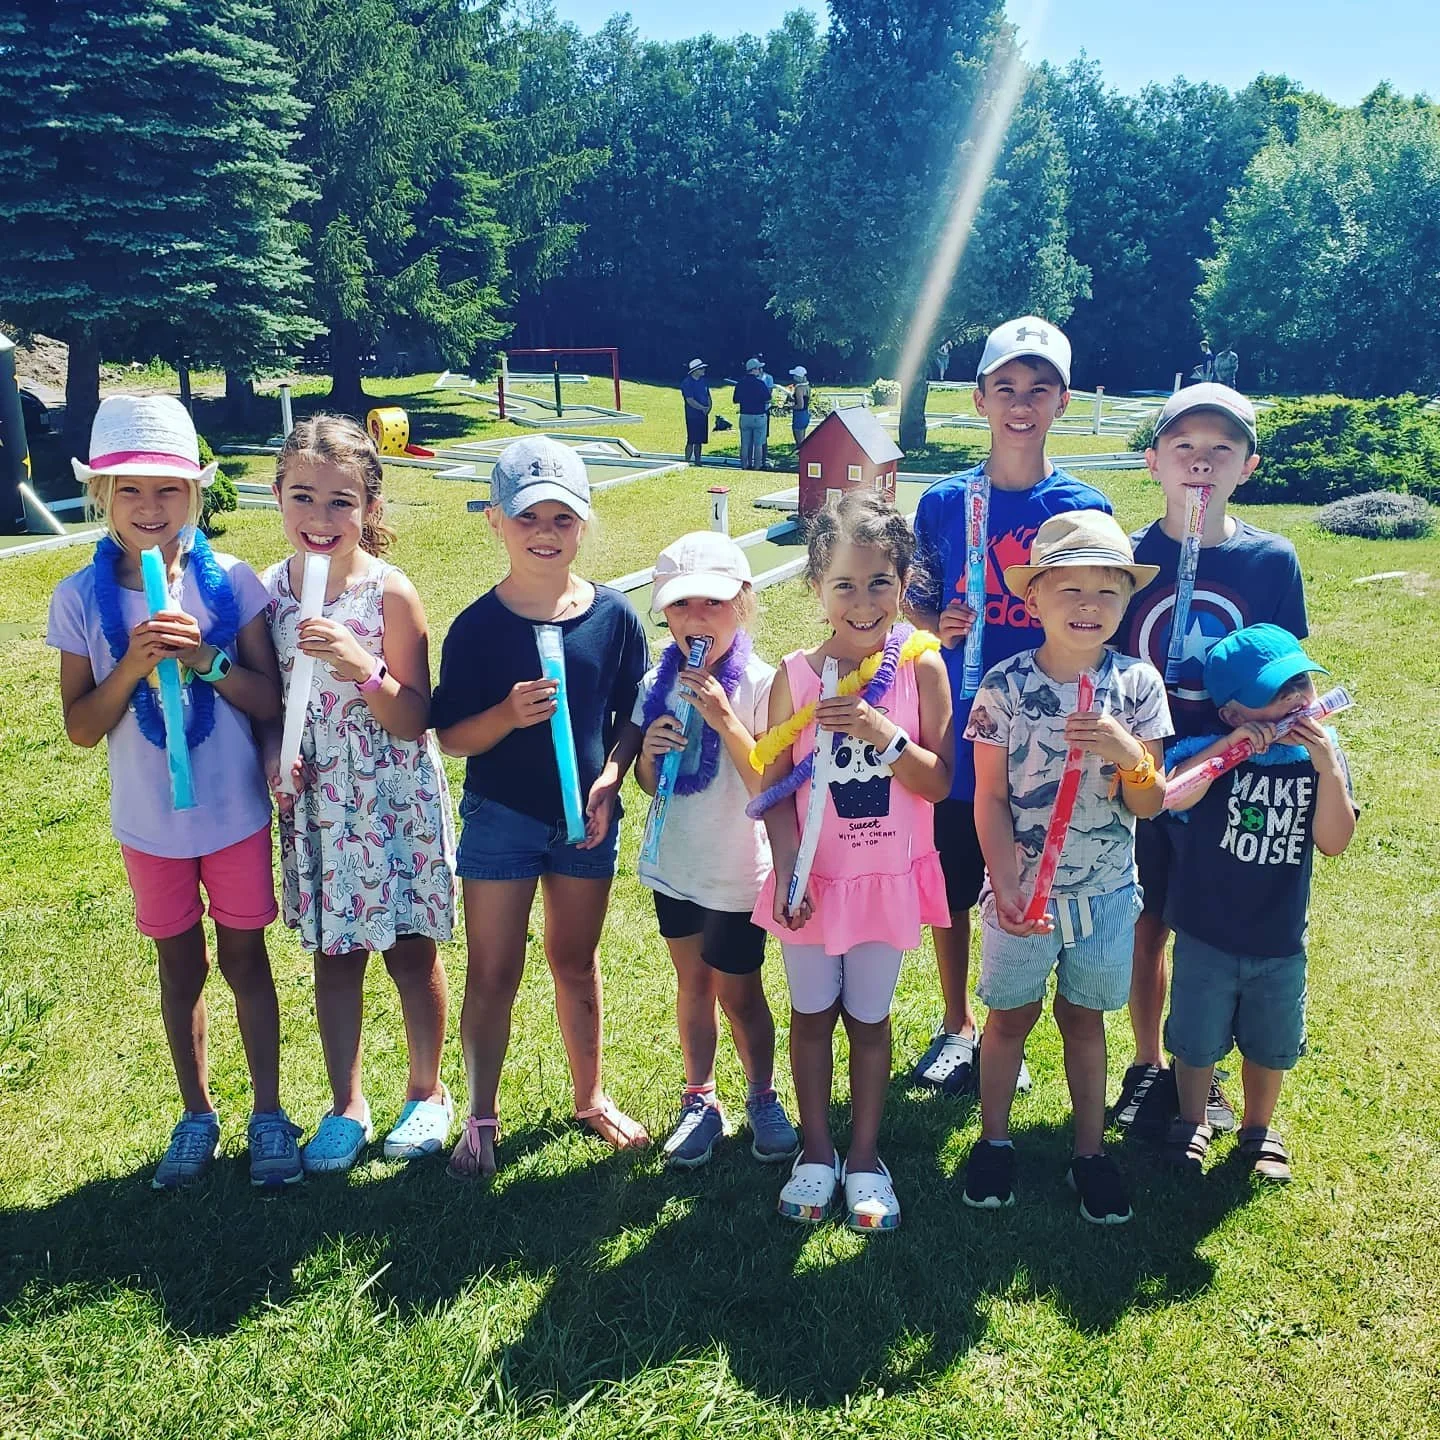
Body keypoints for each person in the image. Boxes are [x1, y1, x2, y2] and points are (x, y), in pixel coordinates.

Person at [46, 395, 301, 1190]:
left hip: (232, 815)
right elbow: (82, 728)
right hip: (149, 823)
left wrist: (206, 662)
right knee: (179, 966)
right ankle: (196, 1113)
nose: (149, 508)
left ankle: (268, 1113)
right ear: (101, 498)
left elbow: (269, 698)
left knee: (246, 960)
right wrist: (131, 663)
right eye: (129, 491)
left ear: (196, 494)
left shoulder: (230, 582)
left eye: (168, 490)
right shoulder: (80, 598)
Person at [432, 437, 650, 1178]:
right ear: (496, 521)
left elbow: (631, 717)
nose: (546, 532)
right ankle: (480, 1116)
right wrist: (505, 716)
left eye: (563, 517)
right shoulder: (477, 627)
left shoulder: (615, 618)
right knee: (493, 971)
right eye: (529, 518)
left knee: (575, 960)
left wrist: (612, 779)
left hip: (585, 820)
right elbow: (453, 735)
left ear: (584, 524)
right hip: (502, 817)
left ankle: (589, 1096)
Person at [906, 316, 1112, 1098]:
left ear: (1062, 401)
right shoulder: (944, 502)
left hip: (1047, 731)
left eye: (1039, 390)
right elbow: (917, 599)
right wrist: (937, 624)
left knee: (1030, 873)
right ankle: (957, 1022)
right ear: (980, 399)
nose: (1021, 404)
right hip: (963, 728)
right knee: (955, 879)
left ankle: (1009, 1020)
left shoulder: (1083, 505)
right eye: (1006, 389)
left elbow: (1101, 605)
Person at [962, 511, 1171, 1225]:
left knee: (1085, 1021)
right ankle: (993, 1140)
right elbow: (989, 798)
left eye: (1106, 593)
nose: (1088, 607)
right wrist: (1008, 882)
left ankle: (1090, 1150)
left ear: (1126, 601)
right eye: (1069, 590)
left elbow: (1148, 804)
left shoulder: (1138, 686)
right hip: (1022, 892)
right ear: (1035, 598)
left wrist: (1127, 751)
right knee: (1009, 1018)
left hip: (1107, 893)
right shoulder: (1006, 684)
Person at [752, 492, 953, 1231]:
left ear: (904, 584)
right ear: (815, 588)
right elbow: (772, 786)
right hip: (815, 884)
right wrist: (788, 871)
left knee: (868, 1019)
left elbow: (938, 781)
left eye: (879, 583)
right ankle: (815, 1151)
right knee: (810, 1015)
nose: (863, 602)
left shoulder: (920, 668)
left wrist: (882, 734)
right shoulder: (796, 677)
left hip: (883, 881)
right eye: (843, 584)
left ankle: (865, 1156)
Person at [263, 416, 457, 1174]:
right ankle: (345, 1104)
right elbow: (269, 702)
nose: (321, 519)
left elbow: (414, 717)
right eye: (304, 497)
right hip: (320, 803)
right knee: (334, 956)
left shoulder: (392, 595)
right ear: (278, 496)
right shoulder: (269, 594)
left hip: (392, 796)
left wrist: (359, 664)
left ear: (370, 508)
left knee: (411, 950)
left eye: (341, 502)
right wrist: (272, 761)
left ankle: (425, 1091)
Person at [1113, 384, 1306, 1138]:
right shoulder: (1130, 557)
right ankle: (1146, 1061)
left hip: (1235, 777)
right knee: (1147, 919)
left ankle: (1207, 1067)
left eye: (1221, 449)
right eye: (1184, 447)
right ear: (1154, 459)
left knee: (1216, 925)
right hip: (1146, 769)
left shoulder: (1270, 560)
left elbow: (1288, 673)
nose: (1201, 463)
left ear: (1248, 465)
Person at [1161, 626, 1356, 1183]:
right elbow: (1172, 796)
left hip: (1278, 935)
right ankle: (1192, 1119)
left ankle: (1258, 1126)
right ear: (1232, 712)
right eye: (1276, 694)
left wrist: (1329, 770)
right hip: (1206, 929)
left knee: (1271, 1042)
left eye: (1300, 684)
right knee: (1197, 1038)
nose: (1296, 700)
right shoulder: (1206, 753)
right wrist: (1228, 750)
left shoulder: (1321, 759)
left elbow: (1335, 841)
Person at [632, 533, 798, 1169]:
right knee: (692, 984)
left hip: (735, 871)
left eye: (712, 605)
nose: (696, 621)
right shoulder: (658, 680)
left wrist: (726, 718)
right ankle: (700, 1097)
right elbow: (654, 787)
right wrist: (649, 757)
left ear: (744, 605)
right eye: (680, 607)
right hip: (675, 865)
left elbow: (768, 784)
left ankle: (762, 1093)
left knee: (740, 992)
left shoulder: (760, 684)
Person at [733, 358, 771, 471]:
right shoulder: (760, 384)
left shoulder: (740, 384)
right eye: (759, 368)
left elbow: (735, 400)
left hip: (745, 415)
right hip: (758, 416)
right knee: (758, 444)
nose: (760, 370)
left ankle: (744, 465)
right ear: (754, 370)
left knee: (745, 443)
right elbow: (768, 399)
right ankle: (757, 466)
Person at [681, 358, 712, 467]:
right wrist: (702, 408)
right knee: (691, 439)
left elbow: (708, 395)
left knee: (699, 440)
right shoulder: (687, 382)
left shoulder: (704, 381)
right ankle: (687, 461)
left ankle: (698, 461)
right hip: (692, 415)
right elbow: (690, 400)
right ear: (695, 370)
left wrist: (708, 407)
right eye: (701, 368)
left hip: (703, 415)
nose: (704, 370)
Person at [788, 366, 812, 447]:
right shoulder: (807, 386)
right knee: (803, 440)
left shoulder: (799, 389)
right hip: (805, 414)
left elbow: (800, 405)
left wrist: (790, 407)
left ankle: (802, 458)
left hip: (799, 415)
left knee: (799, 443)